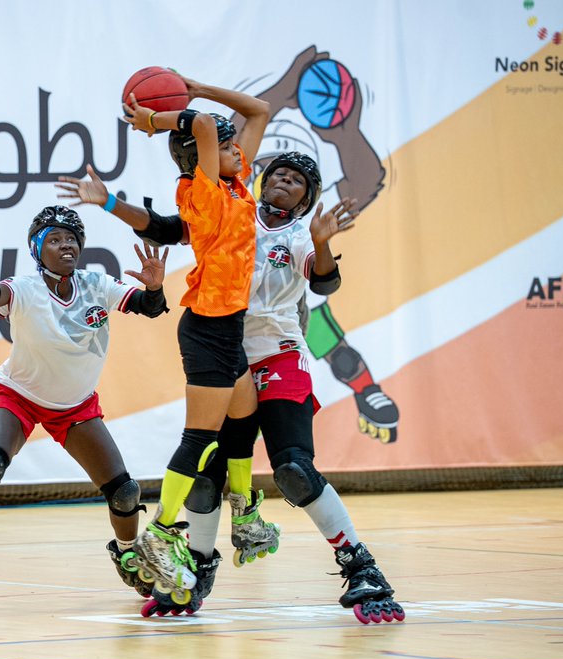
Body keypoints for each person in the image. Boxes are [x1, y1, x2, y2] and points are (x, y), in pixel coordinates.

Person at [59, 146, 405, 623]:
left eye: (296, 180)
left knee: (294, 470)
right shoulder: (230, 214)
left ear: (305, 200)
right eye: (278, 173)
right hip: (229, 355)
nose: (284, 180)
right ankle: (199, 569)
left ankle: (361, 565)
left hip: (279, 354)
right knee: (206, 476)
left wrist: (323, 243)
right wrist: (109, 202)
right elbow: (163, 227)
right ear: (261, 182)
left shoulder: (302, 234)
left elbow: (325, 284)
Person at [0, 205, 169, 612]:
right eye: (54, 239)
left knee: (125, 493)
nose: (65, 244)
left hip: (75, 406)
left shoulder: (96, 284)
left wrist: (155, 288)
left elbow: (149, 307)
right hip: (18, 395)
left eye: (71, 238)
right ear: (38, 249)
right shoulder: (26, 288)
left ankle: (129, 555)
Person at [108, 77, 271, 612]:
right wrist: (155, 121)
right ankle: (162, 530)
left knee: (244, 418)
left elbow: (259, 110)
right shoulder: (200, 189)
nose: (236, 151)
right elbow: (201, 124)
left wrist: (197, 85)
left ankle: (244, 510)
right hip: (205, 329)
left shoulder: (234, 181)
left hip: (229, 328)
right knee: (200, 439)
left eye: (232, 145)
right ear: (201, 156)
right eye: (227, 147)